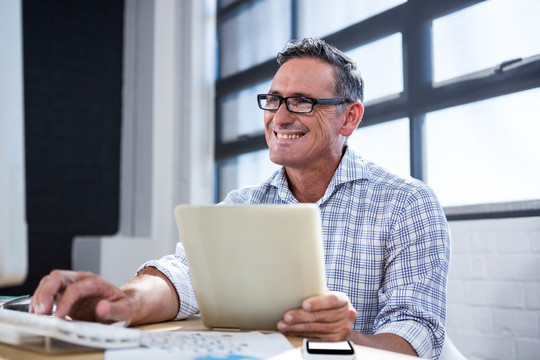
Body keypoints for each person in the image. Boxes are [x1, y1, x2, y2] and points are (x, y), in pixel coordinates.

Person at [30, 38, 450, 359]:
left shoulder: (406, 204)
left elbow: (418, 337)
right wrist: (123, 302)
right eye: (273, 99)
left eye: (302, 101)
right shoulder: (243, 203)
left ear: (350, 117)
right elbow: (186, 278)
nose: (280, 116)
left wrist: (346, 340)